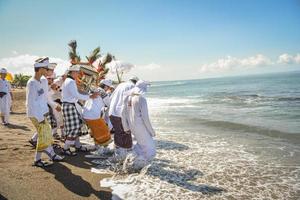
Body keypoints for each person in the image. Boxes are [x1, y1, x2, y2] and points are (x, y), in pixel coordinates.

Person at [26, 57, 64, 167]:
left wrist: (53, 105)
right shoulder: (31, 83)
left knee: (46, 134)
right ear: (40, 68)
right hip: (35, 114)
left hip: (43, 112)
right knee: (45, 134)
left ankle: (49, 154)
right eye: (46, 68)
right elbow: (30, 103)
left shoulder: (43, 80)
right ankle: (39, 159)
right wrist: (39, 117)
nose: (48, 70)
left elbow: (46, 97)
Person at [61, 65, 98, 156]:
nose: (78, 74)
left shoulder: (69, 81)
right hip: (69, 106)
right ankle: (65, 148)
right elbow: (76, 95)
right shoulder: (70, 81)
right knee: (75, 127)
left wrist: (87, 94)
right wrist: (90, 96)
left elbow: (76, 93)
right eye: (77, 72)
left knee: (78, 125)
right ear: (73, 72)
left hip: (69, 105)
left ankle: (78, 145)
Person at [121, 80, 156, 170]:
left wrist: (126, 127)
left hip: (132, 127)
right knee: (150, 148)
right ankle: (138, 167)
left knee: (140, 146)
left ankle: (132, 162)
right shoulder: (141, 99)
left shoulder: (127, 98)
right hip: (141, 127)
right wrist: (152, 131)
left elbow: (123, 114)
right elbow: (145, 117)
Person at [108, 76, 139, 161]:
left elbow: (111, 98)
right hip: (120, 114)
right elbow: (132, 102)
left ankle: (118, 154)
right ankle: (125, 158)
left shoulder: (120, 85)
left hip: (112, 112)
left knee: (118, 133)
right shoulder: (132, 87)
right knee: (126, 133)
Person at [83, 87, 112, 156]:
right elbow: (109, 104)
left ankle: (97, 146)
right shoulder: (103, 92)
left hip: (86, 114)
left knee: (95, 132)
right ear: (106, 87)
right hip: (93, 115)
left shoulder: (93, 88)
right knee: (104, 132)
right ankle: (101, 150)